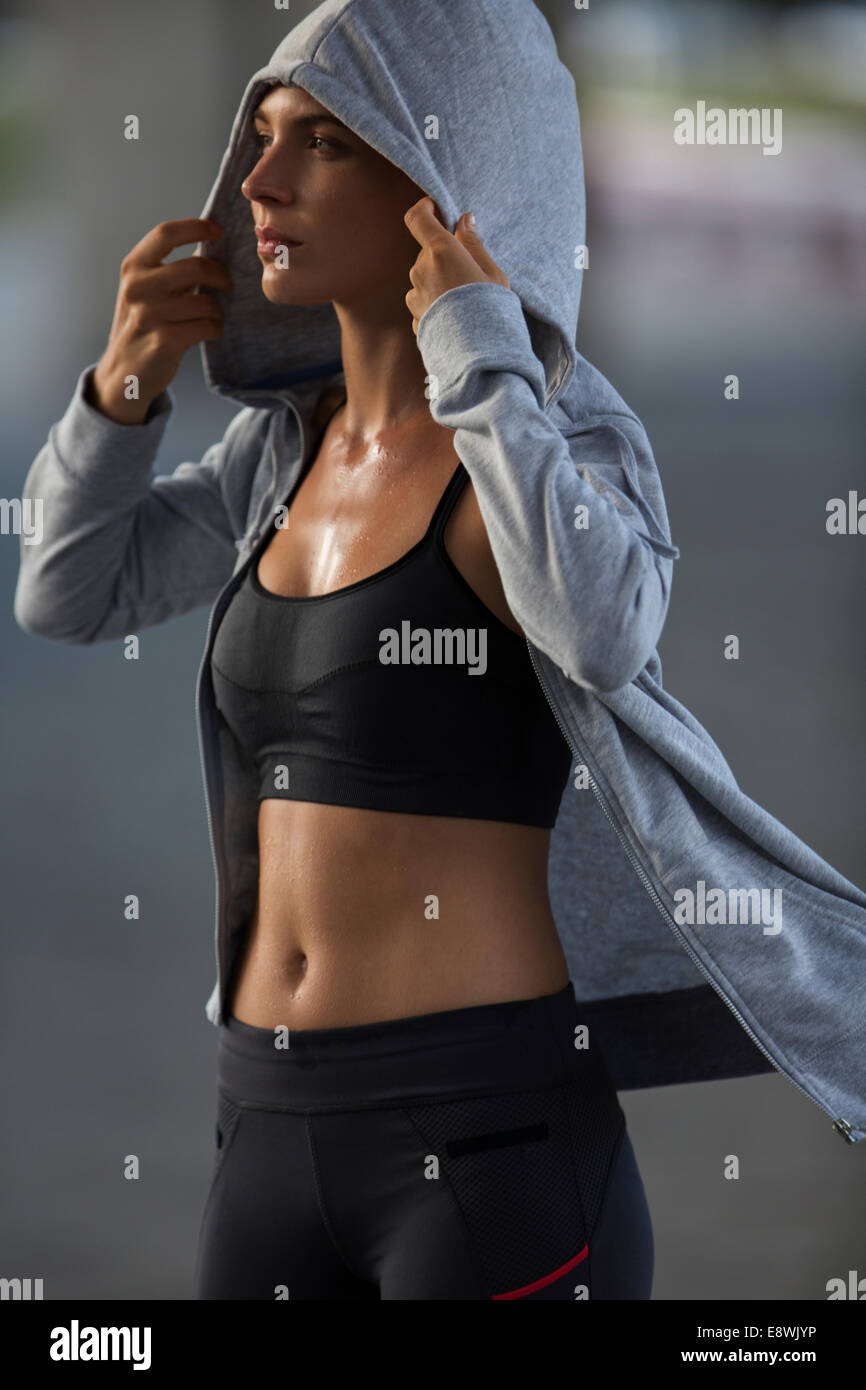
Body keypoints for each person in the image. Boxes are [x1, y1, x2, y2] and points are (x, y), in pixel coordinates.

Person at [14, 0, 866, 1301]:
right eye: (261, 134)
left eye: (324, 142)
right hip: (264, 1120)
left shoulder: (545, 441)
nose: (258, 178)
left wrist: (480, 353)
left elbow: (602, 626)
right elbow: (69, 592)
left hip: (485, 1145)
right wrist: (122, 388)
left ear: (445, 179)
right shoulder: (281, 454)